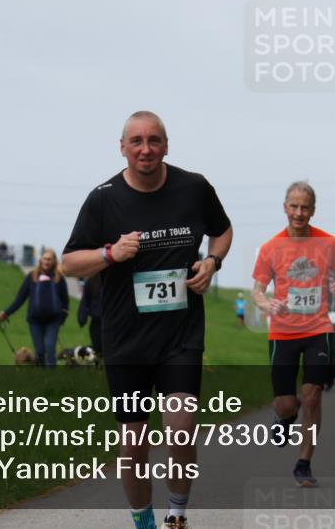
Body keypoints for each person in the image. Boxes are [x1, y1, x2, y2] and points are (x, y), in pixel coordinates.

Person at [60, 111, 233, 529]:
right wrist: (108, 254)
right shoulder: (103, 199)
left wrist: (212, 262)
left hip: (180, 333)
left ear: (167, 145)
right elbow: (68, 263)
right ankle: (144, 521)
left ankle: (177, 514)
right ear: (122, 148)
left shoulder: (194, 187)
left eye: (154, 140)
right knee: (133, 444)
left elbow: (223, 231)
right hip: (126, 339)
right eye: (136, 141)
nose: (145, 149)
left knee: (181, 428)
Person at [252, 181, 335, 488]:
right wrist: (267, 303)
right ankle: (284, 419)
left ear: (313, 210)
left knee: (312, 395)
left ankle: (304, 463)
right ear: (284, 208)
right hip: (282, 333)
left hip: (318, 328)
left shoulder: (328, 243)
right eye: (293, 206)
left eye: (305, 207)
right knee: (286, 403)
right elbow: (257, 290)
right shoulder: (270, 248)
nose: (299, 212)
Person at [0, 248, 69, 367]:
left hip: (53, 321)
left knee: (50, 347)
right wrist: (6, 313)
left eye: (49, 259)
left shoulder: (59, 278)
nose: (47, 262)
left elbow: (65, 302)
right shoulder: (32, 277)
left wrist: (62, 319)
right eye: (45, 259)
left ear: (54, 262)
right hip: (35, 321)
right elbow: (20, 299)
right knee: (40, 350)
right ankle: (42, 377)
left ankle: (52, 376)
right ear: (41, 260)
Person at [77, 272, 104, 357]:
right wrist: (82, 318)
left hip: (112, 320)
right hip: (96, 321)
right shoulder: (92, 281)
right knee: (97, 346)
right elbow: (85, 300)